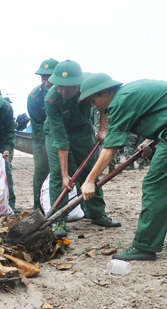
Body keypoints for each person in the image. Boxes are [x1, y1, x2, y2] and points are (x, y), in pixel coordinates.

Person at [80, 73, 167, 261]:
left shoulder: (120, 101)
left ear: (106, 91)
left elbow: (110, 147)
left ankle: (145, 246)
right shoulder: (130, 92)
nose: (94, 107)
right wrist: (150, 141)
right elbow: (166, 112)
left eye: (93, 101)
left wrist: (90, 180)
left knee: (156, 184)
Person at [44, 60, 120, 237]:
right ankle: (58, 221)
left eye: (69, 87)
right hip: (56, 132)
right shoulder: (51, 99)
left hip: (82, 130)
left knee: (89, 170)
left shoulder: (90, 86)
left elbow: (104, 105)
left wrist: (102, 128)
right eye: (60, 86)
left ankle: (97, 213)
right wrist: (64, 174)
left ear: (78, 83)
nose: (63, 91)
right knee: (57, 175)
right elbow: (60, 140)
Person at [27, 58, 59, 210]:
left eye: (50, 77)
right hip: (42, 138)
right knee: (41, 168)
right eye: (43, 78)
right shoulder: (34, 98)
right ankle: (38, 207)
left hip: (64, 136)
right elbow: (37, 127)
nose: (46, 82)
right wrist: (47, 148)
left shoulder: (67, 91)